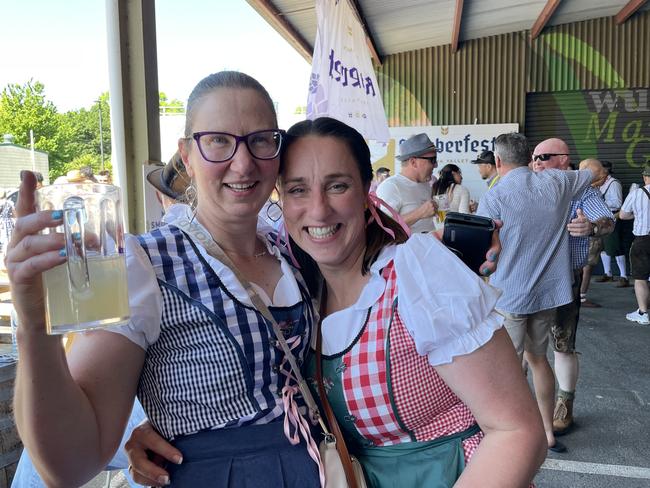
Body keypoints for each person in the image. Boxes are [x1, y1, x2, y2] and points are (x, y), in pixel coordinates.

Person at [124, 118, 544, 487]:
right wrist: (167, 429)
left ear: (367, 191)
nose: (319, 210)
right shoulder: (300, 289)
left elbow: (517, 432)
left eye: (337, 186)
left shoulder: (418, 272)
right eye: (298, 190)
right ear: (281, 201)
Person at [6, 71, 321, 487]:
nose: (243, 162)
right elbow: (69, 465)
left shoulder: (298, 248)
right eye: (218, 141)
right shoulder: (146, 264)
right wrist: (34, 325)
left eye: (261, 139)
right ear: (187, 155)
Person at [478, 132, 598, 453]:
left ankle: (510, 435)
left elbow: (481, 249)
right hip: (548, 294)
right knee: (538, 359)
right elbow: (593, 171)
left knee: (510, 368)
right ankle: (546, 432)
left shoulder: (495, 195)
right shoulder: (558, 183)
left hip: (512, 294)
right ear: (529, 156)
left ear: (499, 161)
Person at [531, 142, 615, 438]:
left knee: (563, 344)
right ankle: (520, 410)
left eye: (542, 157)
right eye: (533, 158)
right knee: (523, 348)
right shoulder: (529, 185)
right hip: (527, 279)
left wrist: (591, 226)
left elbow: (607, 220)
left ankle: (564, 403)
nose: (536, 163)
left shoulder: (582, 190)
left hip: (564, 279)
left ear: (563, 160)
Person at [375, 133, 438, 233]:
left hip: (429, 246)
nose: (436, 165)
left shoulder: (425, 184)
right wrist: (420, 213)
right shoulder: (391, 186)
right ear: (413, 162)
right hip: (406, 248)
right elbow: (382, 227)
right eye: (432, 160)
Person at [619, 165, 650, 325]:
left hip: (643, 240)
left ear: (645, 177)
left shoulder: (637, 193)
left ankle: (643, 313)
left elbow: (623, 215)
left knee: (641, 277)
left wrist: (637, 215)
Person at [595, 160, 628, 287]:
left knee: (616, 247)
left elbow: (618, 203)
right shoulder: (599, 183)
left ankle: (623, 276)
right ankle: (607, 274)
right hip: (600, 219)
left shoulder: (614, 183)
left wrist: (601, 205)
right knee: (604, 247)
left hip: (612, 218)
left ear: (605, 171)